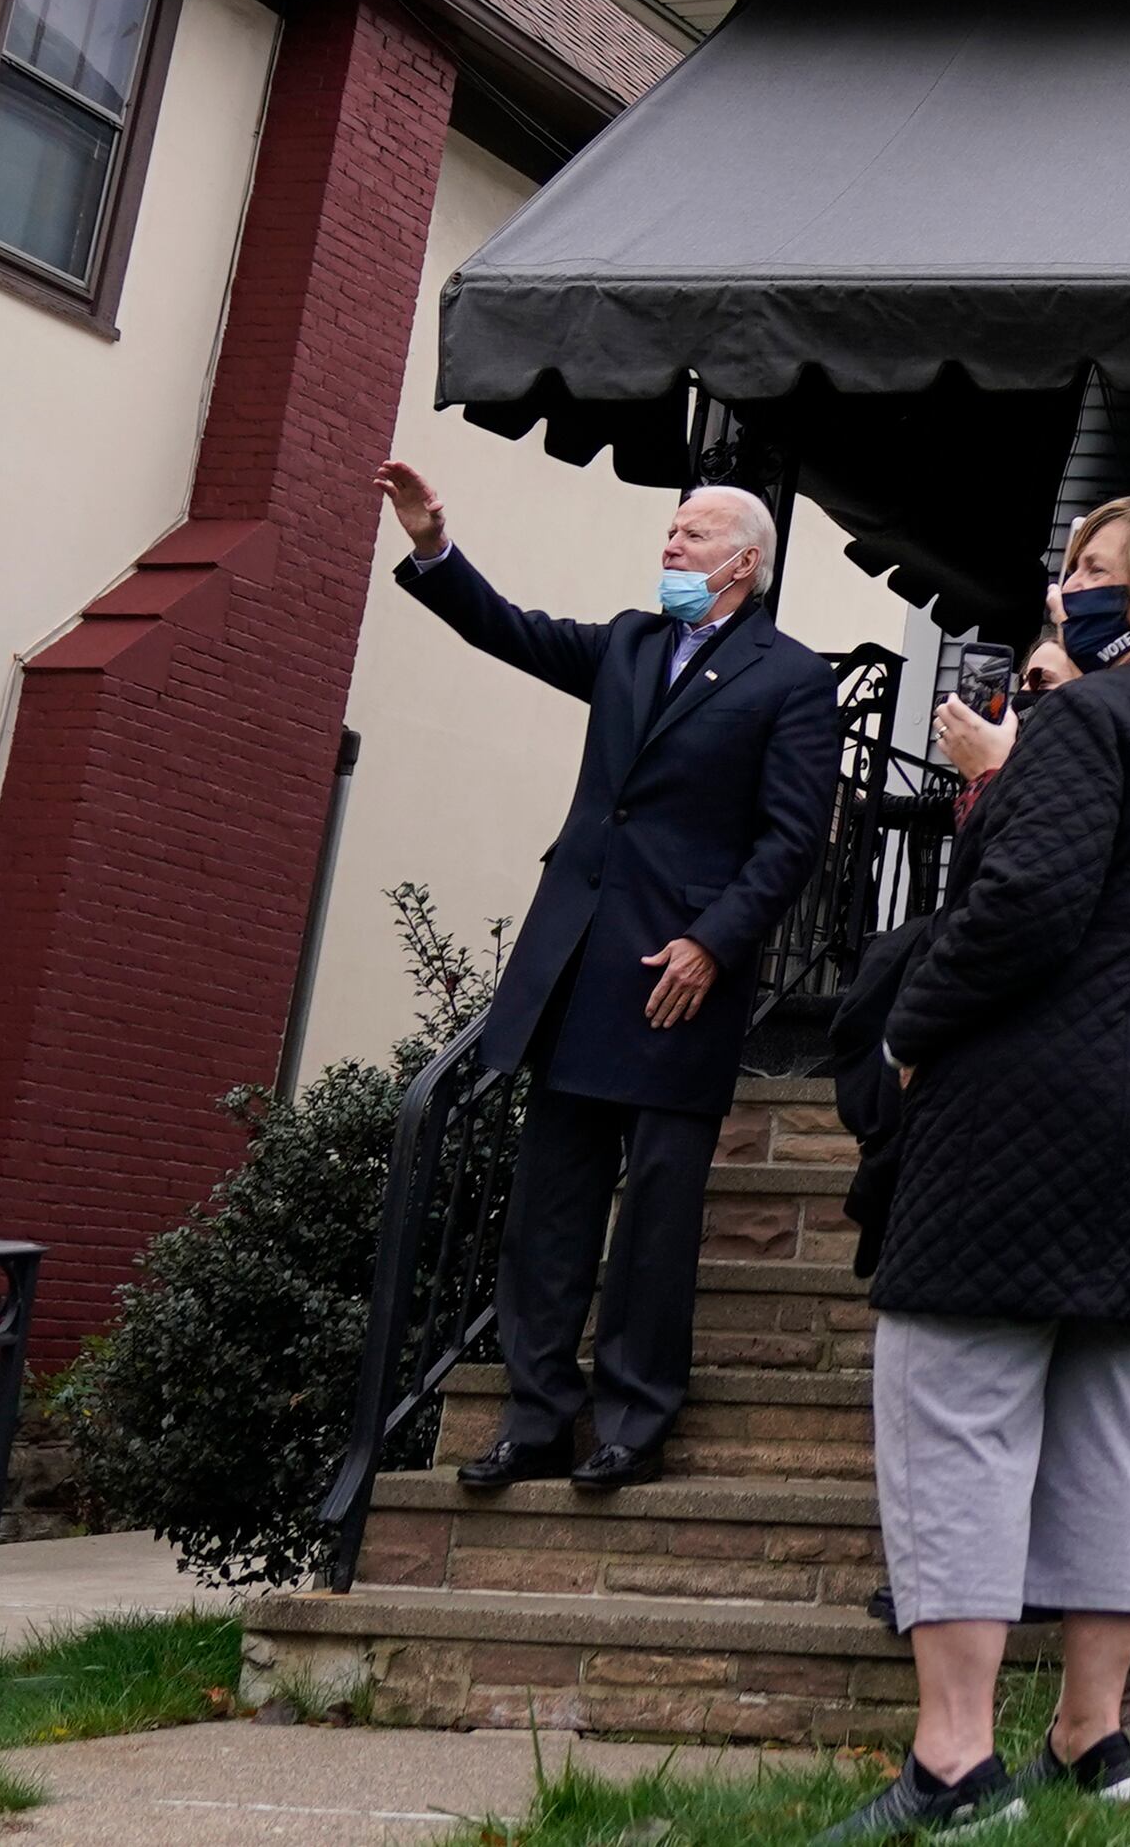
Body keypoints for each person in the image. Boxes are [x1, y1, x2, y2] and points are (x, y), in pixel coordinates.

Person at [831, 494, 1130, 1838]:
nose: (1067, 584)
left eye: (1092, 568)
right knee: (1119, 1422)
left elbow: (1026, 905)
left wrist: (911, 1024)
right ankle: (1095, 1732)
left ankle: (954, 1762)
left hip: (1034, 1110)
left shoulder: (1086, 720)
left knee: (955, 1407)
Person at [375, 463, 840, 1493]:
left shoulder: (792, 678)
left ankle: (634, 1419)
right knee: (548, 1210)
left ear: (743, 564)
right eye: (668, 532)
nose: (669, 547)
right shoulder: (631, 642)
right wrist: (431, 545)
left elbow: (794, 837)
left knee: (657, 1219)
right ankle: (536, 1417)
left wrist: (715, 943)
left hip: (682, 978)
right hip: (581, 966)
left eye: (690, 534)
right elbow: (510, 629)